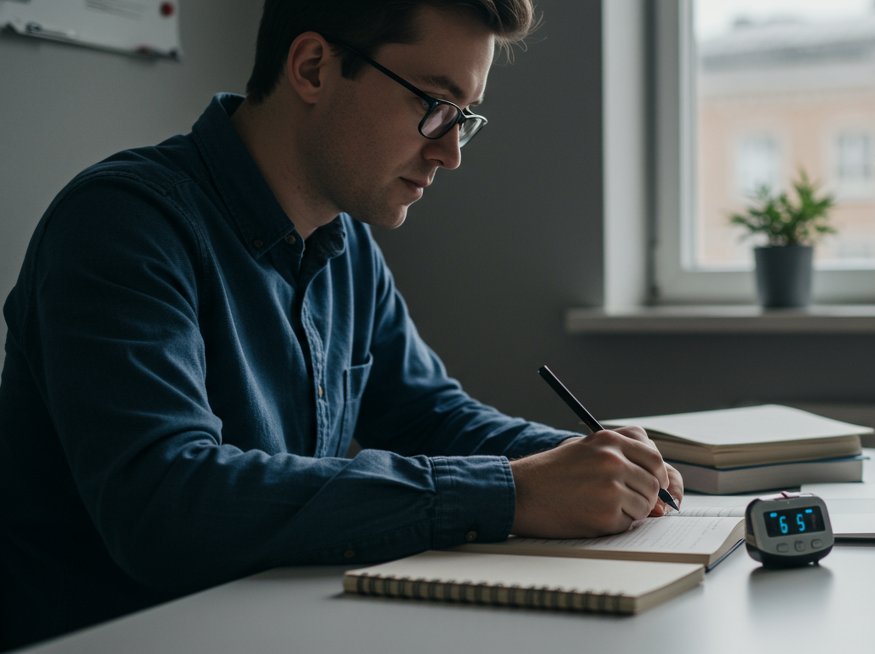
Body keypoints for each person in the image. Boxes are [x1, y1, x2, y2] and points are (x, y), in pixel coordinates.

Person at [0, 1, 682, 649]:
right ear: (313, 68)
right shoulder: (121, 225)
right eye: (433, 104)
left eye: (464, 117)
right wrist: (512, 493)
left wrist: (589, 461)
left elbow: (429, 414)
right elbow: (167, 505)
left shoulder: (346, 245)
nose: (451, 152)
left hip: (273, 630)